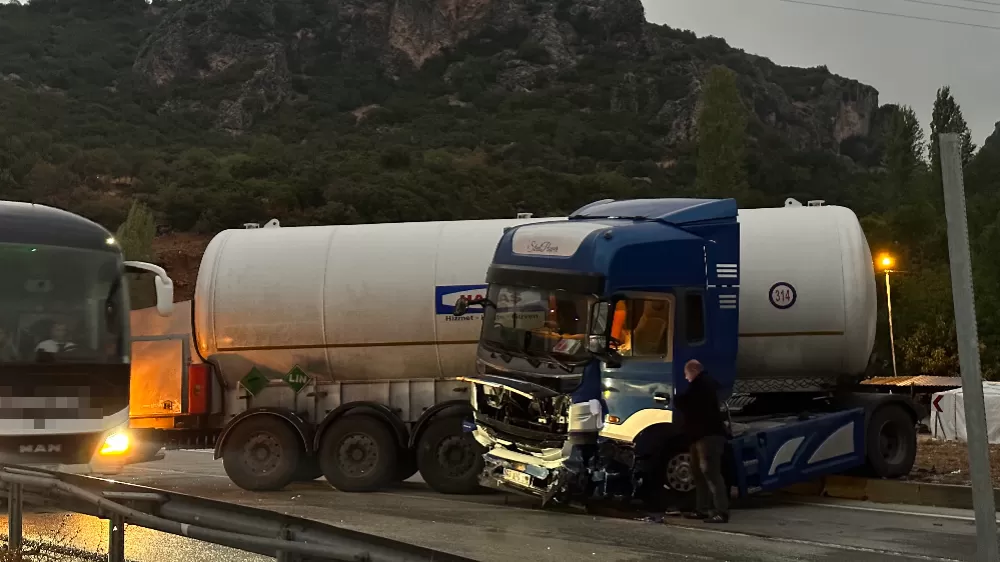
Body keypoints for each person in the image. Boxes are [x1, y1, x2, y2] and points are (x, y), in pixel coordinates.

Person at [674, 359, 729, 523]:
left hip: (708, 436)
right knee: (699, 473)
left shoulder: (702, 385)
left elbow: (691, 405)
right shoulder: (705, 384)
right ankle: (702, 508)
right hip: (700, 436)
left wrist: (677, 400)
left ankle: (721, 511)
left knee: (710, 473)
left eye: (686, 374)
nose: (686, 378)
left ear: (693, 371)